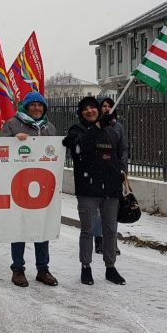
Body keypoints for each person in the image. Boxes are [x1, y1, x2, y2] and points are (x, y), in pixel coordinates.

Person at [62, 96, 127, 286]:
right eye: (85, 108)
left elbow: (117, 154)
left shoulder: (111, 130)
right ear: (80, 113)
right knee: (88, 230)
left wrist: (120, 176)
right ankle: (86, 266)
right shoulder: (76, 130)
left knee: (110, 230)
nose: (89, 111)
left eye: (93, 107)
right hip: (88, 189)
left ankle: (110, 267)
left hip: (111, 190)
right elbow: (80, 148)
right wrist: (96, 127)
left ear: (98, 110)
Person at [0, 92, 58, 287]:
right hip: (18, 186)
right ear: (26, 106)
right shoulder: (12, 124)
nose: (36, 108)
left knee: (42, 227)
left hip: (42, 187)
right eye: (33, 105)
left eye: (40, 105)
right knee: (19, 228)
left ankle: (43, 269)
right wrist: (13, 141)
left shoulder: (49, 127)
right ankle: (17, 269)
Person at [93, 96, 128, 255]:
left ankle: (112, 241)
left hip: (114, 173)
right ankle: (99, 239)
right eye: (104, 106)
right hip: (98, 173)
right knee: (99, 210)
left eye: (109, 106)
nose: (107, 108)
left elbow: (123, 149)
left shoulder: (118, 127)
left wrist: (123, 169)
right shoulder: (95, 126)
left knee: (113, 210)